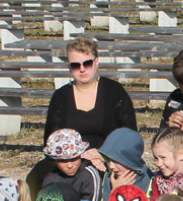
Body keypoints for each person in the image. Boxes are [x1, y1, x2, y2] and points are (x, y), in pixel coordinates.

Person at [45, 36, 138, 169]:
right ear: (69, 67)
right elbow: (50, 141)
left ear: (96, 61)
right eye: (75, 65)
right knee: (36, 177)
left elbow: (130, 135)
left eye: (87, 63)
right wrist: (79, 156)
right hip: (70, 162)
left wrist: (103, 154)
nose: (82, 69)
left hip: (111, 159)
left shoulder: (114, 91)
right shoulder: (60, 97)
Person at [28, 128, 103, 201]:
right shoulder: (51, 178)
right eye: (63, 161)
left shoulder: (89, 175)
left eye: (74, 159)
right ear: (55, 160)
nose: (70, 165)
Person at [100, 126, 152, 193]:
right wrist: (115, 191)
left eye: (115, 161)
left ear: (130, 159)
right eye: (108, 160)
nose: (110, 166)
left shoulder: (148, 181)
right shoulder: (110, 177)